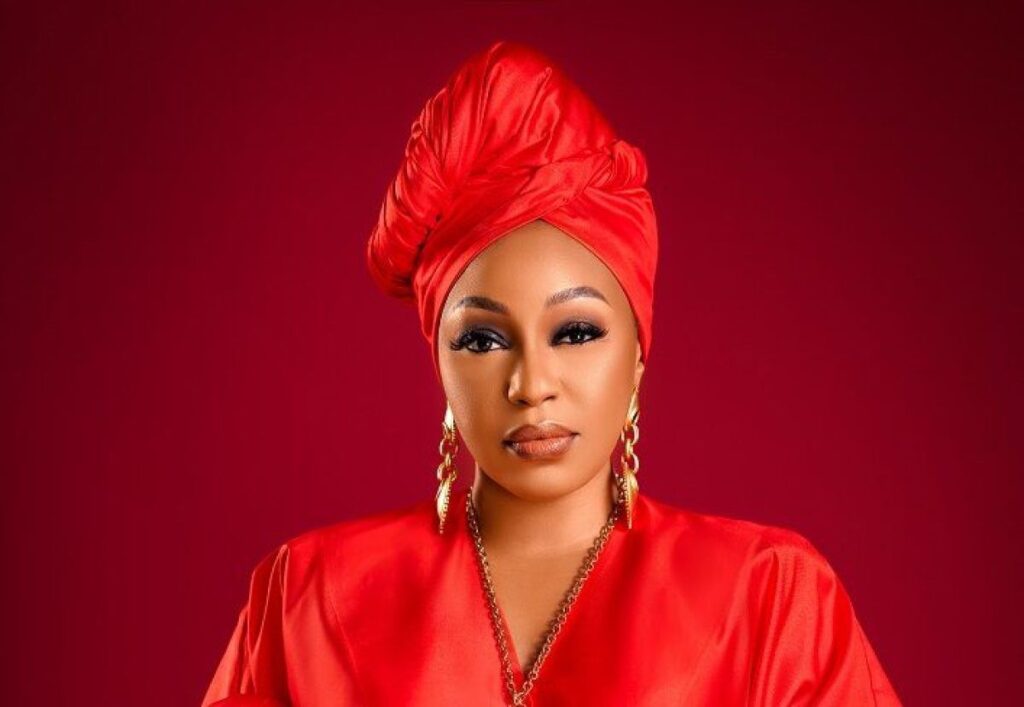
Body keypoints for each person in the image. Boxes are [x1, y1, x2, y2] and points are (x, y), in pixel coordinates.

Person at [201, 41, 901, 706]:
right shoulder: (311, 596)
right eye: (482, 339)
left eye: (575, 332)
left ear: (637, 352)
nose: (531, 384)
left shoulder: (772, 598)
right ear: (439, 362)